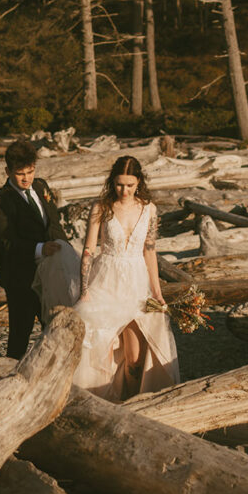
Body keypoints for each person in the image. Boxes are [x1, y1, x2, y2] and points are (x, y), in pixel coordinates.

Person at [71, 155, 180, 400]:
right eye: (120, 184)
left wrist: (158, 293)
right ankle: (96, 398)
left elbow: (150, 250)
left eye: (130, 185)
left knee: (135, 353)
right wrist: (84, 290)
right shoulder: (101, 207)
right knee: (101, 344)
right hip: (106, 280)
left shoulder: (149, 209)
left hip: (136, 282)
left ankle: (132, 400)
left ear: (138, 182)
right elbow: (89, 249)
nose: (124, 190)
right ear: (112, 182)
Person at [0, 139, 69, 358]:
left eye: (31, 171)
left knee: (55, 326)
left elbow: (53, 222)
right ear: (7, 171)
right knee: (20, 332)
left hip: (52, 271)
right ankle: (10, 381)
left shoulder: (41, 186)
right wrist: (38, 249)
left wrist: (66, 250)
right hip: (20, 277)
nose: (27, 178)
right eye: (20, 173)